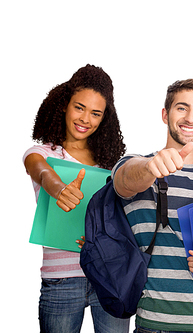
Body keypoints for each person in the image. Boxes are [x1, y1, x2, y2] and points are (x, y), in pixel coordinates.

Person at [112, 78, 193, 333]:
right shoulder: (135, 164)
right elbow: (125, 180)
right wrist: (151, 166)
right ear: (165, 114)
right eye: (182, 108)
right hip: (155, 324)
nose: (191, 118)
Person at [23, 64, 129, 332]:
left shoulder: (112, 164)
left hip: (109, 276)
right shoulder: (43, 153)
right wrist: (58, 188)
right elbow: (42, 172)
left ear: (104, 118)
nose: (85, 119)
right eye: (79, 107)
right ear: (64, 105)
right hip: (62, 281)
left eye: (96, 113)